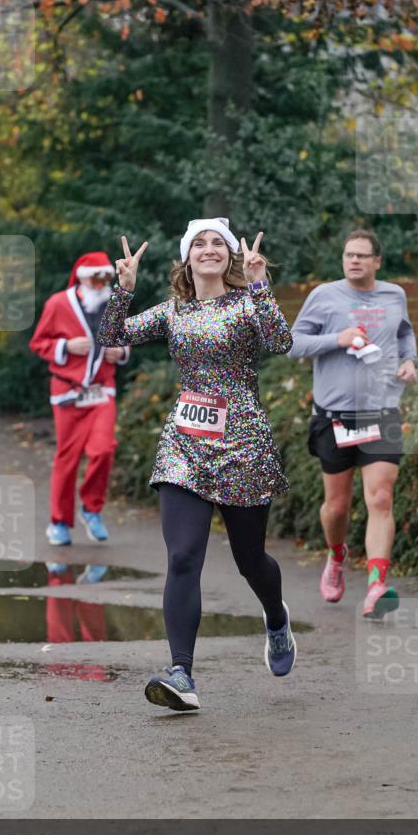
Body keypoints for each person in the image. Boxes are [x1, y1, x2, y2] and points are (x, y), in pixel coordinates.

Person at [97, 219, 296, 711]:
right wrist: (122, 289)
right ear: (187, 259)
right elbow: (112, 335)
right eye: (199, 244)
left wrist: (260, 283)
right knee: (183, 557)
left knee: (251, 560)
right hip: (184, 444)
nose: (209, 250)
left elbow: (281, 342)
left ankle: (275, 616)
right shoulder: (173, 311)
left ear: (230, 257)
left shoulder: (249, 303)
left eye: (218, 244)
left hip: (244, 444)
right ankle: (181, 672)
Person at [288, 229, 418, 619]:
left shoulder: (395, 295)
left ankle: (377, 585)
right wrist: (338, 339)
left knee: (380, 497)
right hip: (334, 417)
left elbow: (405, 335)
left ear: (378, 261)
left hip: (382, 411)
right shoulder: (324, 296)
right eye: (349, 255)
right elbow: (293, 343)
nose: (355, 261)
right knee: (337, 507)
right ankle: (337, 554)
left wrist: (410, 362)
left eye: (363, 255)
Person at [30, 252, 130, 546]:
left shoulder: (115, 304)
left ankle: (91, 508)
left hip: (102, 389)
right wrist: (65, 346)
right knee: (68, 458)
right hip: (68, 392)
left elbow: (125, 338)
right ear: (82, 278)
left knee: (103, 449)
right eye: (95, 278)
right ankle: (59, 522)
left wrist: (121, 352)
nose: (101, 284)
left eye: (106, 278)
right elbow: (38, 342)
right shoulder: (58, 303)